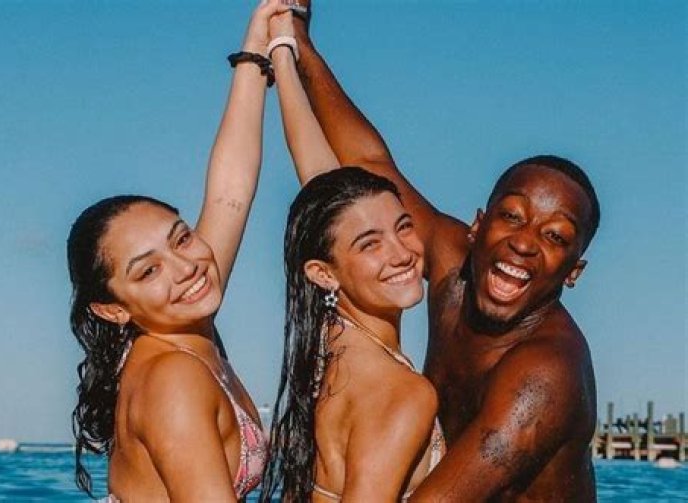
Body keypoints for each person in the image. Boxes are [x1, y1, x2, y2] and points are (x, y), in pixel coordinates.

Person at [283, 3, 600, 501]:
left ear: (573, 272)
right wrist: (300, 48)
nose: (524, 242)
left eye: (555, 236)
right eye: (512, 216)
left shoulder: (546, 373)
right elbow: (368, 160)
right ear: (477, 226)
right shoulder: (455, 264)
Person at [66, 1, 290, 500]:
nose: (185, 267)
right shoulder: (173, 377)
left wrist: (257, 50)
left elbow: (230, 193)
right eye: (147, 271)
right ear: (112, 309)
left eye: (182, 237)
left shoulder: (185, 324)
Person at [260, 10, 445, 502]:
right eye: (370, 244)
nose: (401, 253)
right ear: (323, 273)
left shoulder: (331, 342)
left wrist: (283, 54)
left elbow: (322, 189)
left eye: (403, 226)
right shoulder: (402, 393)